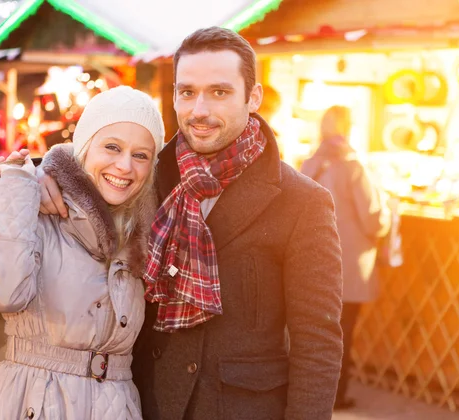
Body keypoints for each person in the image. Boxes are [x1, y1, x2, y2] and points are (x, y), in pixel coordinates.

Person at [38, 27, 343, 419]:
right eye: (187, 92)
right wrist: (41, 174)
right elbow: (86, 168)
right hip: (144, 405)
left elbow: (317, 344)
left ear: (253, 98)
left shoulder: (303, 201)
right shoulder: (148, 177)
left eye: (219, 92)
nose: (199, 110)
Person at [0, 86, 165, 420]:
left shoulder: (143, 235)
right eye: (112, 147)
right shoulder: (40, 207)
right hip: (34, 401)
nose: (124, 166)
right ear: (85, 147)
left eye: (140, 155)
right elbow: (1, 294)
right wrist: (16, 188)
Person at [301, 105, 391, 410]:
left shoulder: (309, 165)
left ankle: (312, 395)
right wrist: (389, 214)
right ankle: (336, 397)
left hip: (311, 262)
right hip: (348, 265)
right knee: (342, 332)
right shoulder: (354, 167)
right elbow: (374, 219)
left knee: (314, 332)